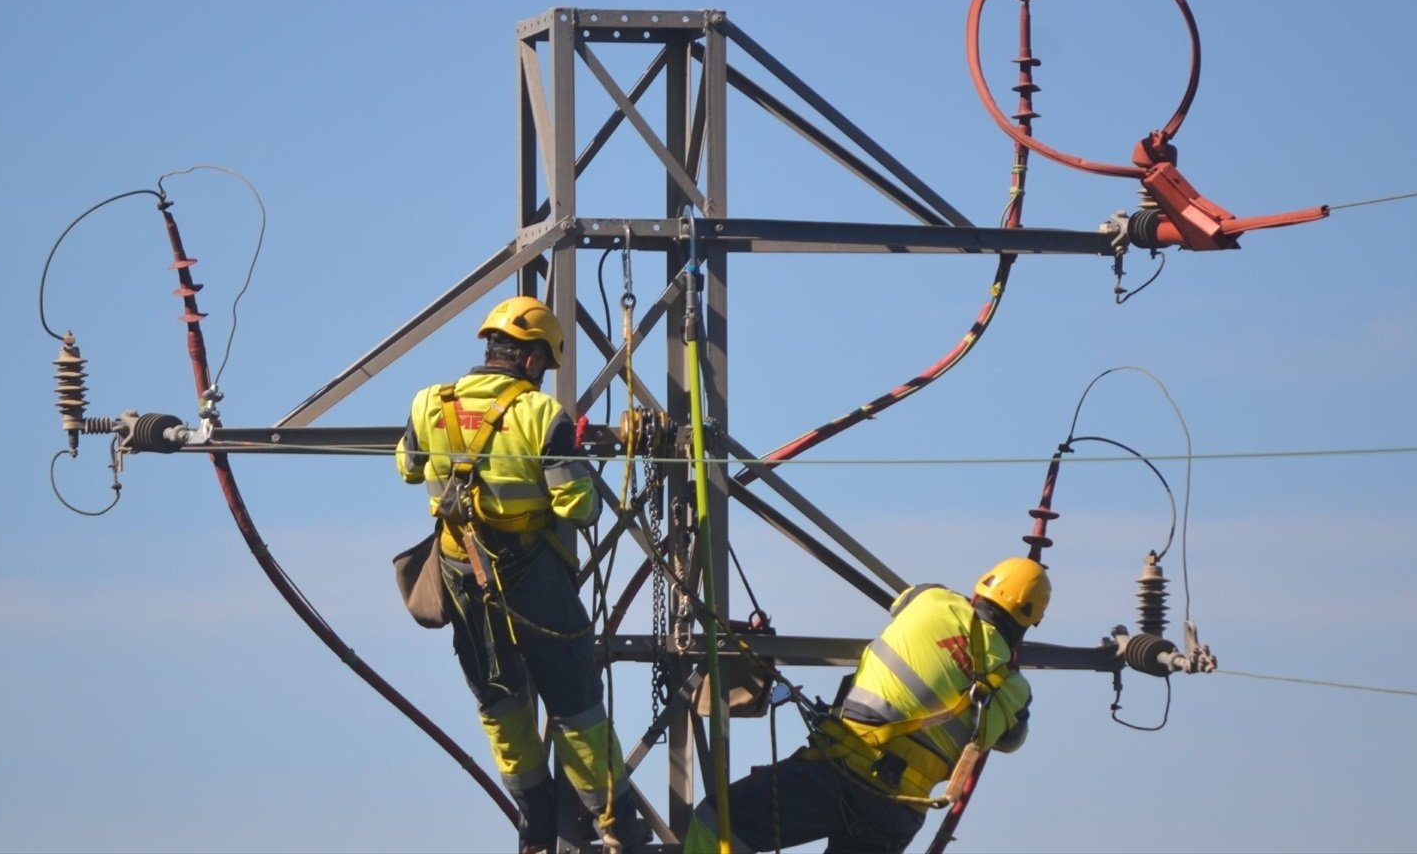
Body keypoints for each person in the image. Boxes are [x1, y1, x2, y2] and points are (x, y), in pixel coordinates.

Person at [396, 295, 651, 854]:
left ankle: (535, 822)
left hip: (462, 576)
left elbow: (408, 468)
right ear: (533, 360)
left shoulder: (428, 404)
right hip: (531, 580)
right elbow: (578, 509)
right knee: (574, 700)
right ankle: (616, 825)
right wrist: (573, 460)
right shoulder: (541, 416)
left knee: (500, 700)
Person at [683, 556, 1051, 853]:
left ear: (977, 592)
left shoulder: (934, 601)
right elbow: (1010, 740)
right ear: (1030, 623)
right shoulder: (1015, 692)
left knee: (716, 827)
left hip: (841, 774)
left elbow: (903, 602)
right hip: (898, 813)